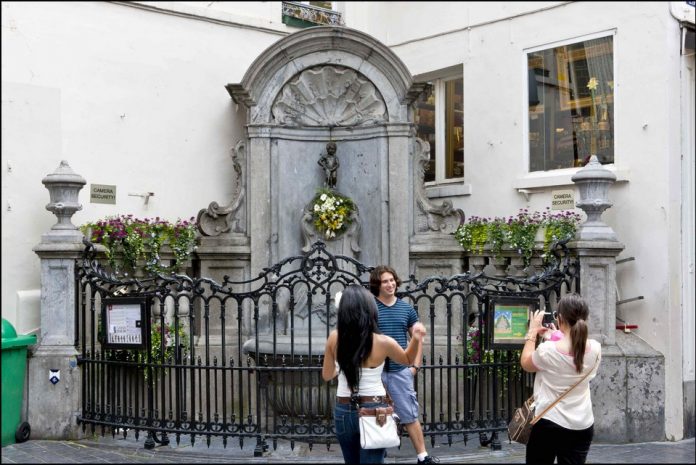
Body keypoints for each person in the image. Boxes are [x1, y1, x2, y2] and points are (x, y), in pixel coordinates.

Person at [322, 284, 424, 464]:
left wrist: (341, 363)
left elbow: (327, 375)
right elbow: (408, 359)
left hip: (344, 408)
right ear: (370, 309)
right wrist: (415, 339)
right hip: (374, 408)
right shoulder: (383, 341)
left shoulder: (334, 337)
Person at [520, 293, 602, 465]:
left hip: (549, 422)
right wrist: (555, 335)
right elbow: (573, 348)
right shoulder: (595, 349)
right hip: (582, 425)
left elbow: (526, 363)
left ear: (560, 319)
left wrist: (532, 332)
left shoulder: (547, 350)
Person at [369, 265, 437, 465]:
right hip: (376, 373)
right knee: (375, 415)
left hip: (400, 372)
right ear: (377, 285)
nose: (390, 284)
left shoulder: (406, 309)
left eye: (392, 280)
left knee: (410, 415)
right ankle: (377, 457)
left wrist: (414, 367)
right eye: (384, 281)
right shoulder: (370, 308)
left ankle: (422, 457)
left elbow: (417, 339)